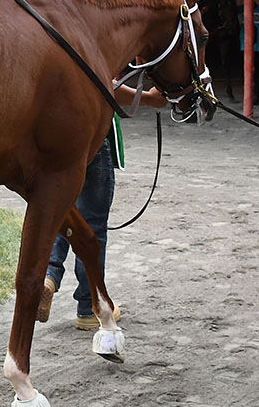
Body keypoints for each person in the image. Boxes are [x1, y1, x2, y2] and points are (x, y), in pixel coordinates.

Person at [38, 82, 167, 330]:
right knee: (93, 226)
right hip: (91, 137)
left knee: (64, 217)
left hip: (55, 136)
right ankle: (88, 307)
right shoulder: (87, 43)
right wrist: (150, 98)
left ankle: (48, 278)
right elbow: (107, 86)